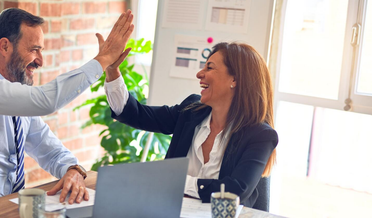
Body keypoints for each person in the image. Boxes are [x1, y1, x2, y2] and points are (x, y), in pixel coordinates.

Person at [0, 8, 134, 212]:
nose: (40, 61)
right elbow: (45, 101)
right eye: (34, 49)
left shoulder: (19, 105)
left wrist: (73, 170)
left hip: (3, 211)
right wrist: (103, 59)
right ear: (5, 47)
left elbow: (50, 150)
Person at [104, 42, 278, 207]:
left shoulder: (260, 135)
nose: (199, 74)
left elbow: (234, 192)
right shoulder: (190, 111)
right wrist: (112, 72)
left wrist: (176, 181)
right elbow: (136, 114)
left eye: (209, 67)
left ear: (235, 79)